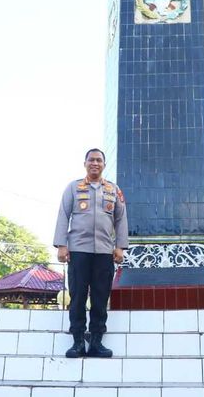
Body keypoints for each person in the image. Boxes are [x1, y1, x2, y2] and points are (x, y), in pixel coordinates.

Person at [53, 148, 128, 358]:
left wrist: (120, 247)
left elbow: (121, 219)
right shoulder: (73, 188)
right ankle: (77, 341)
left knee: (100, 297)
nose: (95, 163)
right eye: (91, 160)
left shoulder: (114, 190)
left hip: (104, 252)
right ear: (85, 163)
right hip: (78, 250)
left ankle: (96, 342)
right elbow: (63, 214)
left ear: (104, 165)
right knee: (77, 296)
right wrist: (61, 244)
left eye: (99, 160)